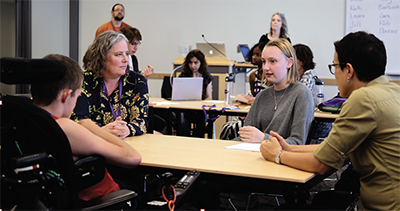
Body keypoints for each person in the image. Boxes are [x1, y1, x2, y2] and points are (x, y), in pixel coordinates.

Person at [261, 31, 400, 210]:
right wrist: (291, 148)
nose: (334, 73)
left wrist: (277, 155)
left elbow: (321, 165)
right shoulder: (392, 91)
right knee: (323, 200)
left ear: (348, 70)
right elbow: (337, 150)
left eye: (334, 66)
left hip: (382, 206)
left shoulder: (362, 100)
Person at [30, 54, 142, 203]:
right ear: (66, 96)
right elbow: (133, 157)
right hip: (106, 199)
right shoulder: (64, 126)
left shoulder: (26, 119)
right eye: (77, 96)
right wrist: (89, 125)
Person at [233, 38, 314, 145]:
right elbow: (244, 137)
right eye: (263, 62)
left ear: (289, 63)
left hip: (282, 159)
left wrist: (263, 138)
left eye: (273, 61)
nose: (266, 67)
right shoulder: (262, 96)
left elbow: (297, 143)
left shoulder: (301, 94)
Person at [72, 31, 149, 139]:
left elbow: (142, 121)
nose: (125, 59)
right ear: (102, 57)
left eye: (126, 53)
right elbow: (79, 119)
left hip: (128, 142)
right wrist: (103, 131)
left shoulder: (137, 81)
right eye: (118, 54)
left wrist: (126, 130)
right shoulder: (83, 80)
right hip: (93, 143)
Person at [220, 42, 267, 140]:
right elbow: (254, 96)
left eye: (258, 55)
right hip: (251, 111)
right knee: (227, 126)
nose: (254, 57)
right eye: (253, 54)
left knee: (232, 128)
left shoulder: (269, 77)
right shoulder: (253, 76)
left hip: (262, 115)